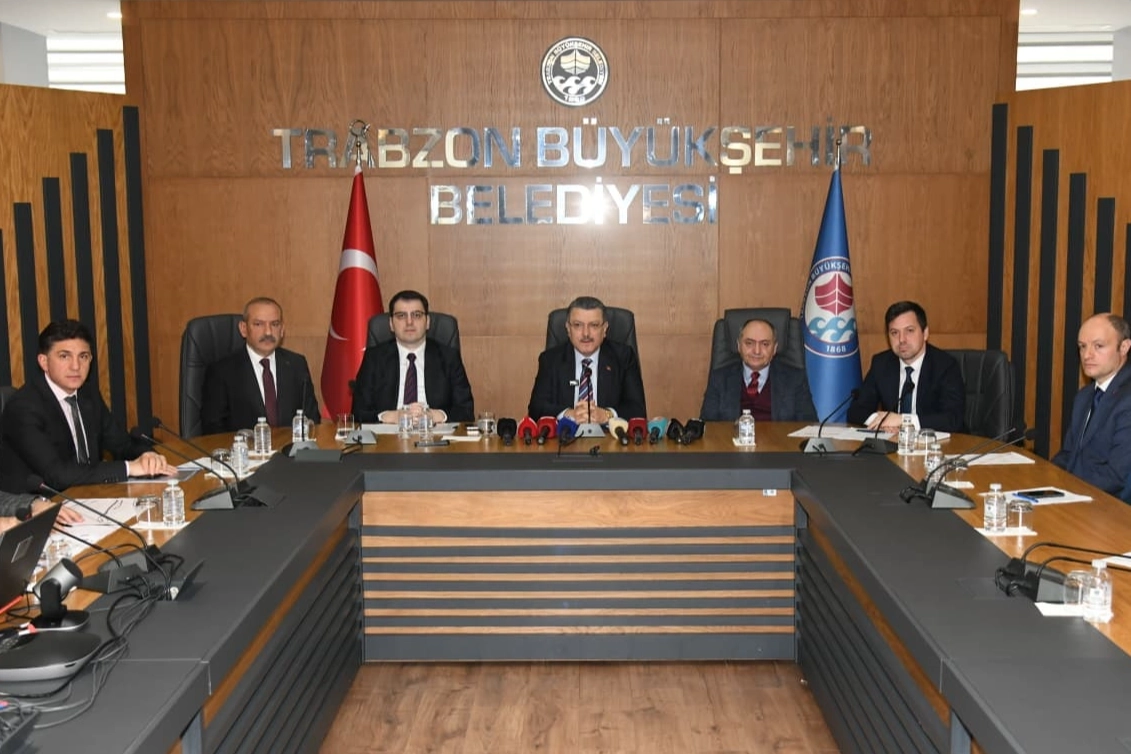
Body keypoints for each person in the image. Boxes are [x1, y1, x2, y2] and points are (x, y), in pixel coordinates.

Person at [0, 319, 176, 495]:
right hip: (39, 503)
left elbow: (123, 444)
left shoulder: (87, 394)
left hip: (88, 494)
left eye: (83, 356)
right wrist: (129, 468)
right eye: (64, 356)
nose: (76, 366)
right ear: (44, 362)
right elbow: (57, 475)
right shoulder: (23, 407)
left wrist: (148, 456)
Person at [201, 297, 321, 434]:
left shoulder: (297, 364)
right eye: (258, 324)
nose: (268, 332)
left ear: (282, 329)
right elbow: (213, 430)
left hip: (291, 447)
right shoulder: (221, 371)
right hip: (243, 447)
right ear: (243, 329)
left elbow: (312, 421)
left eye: (275, 324)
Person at [352, 290, 474, 424]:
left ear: (427, 322)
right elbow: (358, 412)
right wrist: (390, 416)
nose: (409, 322)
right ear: (391, 324)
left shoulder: (449, 357)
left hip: (435, 432)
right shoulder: (374, 358)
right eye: (401, 316)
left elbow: (466, 411)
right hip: (388, 433)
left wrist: (437, 415)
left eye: (417, 315)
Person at [847, 300, 965, 432]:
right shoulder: (881, 364)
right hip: (893, 441)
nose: (902, 339)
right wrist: (882, 421)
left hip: (936, 442)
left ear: (925, 333)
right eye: (894, 333)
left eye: (909, 331)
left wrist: (903, 420)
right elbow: (856, 411)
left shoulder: (945, 366)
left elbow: (953, 419)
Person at [528, 296, 646, 422]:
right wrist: (569, 414)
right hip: (565, 433)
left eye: (594, 325)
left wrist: (606, 415)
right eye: (577, 325)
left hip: (609, 434)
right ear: (568, 329)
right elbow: (536, 408)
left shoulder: (623, 357)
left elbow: (638, 409)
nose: (586, 334)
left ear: (604, 329)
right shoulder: (550, 360)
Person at [1054, 313, 1131, 496]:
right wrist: (1044, 478)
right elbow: (1068, 455)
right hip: (1078, 493)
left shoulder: (1127, 399)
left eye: (1098, 346)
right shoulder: (1085, 396)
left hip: (1111, 505)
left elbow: (1115, 476)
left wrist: (1065, 488)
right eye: (1082, 346)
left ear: (1124, 347)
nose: (1087, 355)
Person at [700, 319, 817, 422]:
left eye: (765, 344)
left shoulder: (795, 379)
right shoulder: (719, 378)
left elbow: (808, 425)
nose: (757, 351)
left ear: (775, 348)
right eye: (749, 343)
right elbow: (708, 426)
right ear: (739, 346)